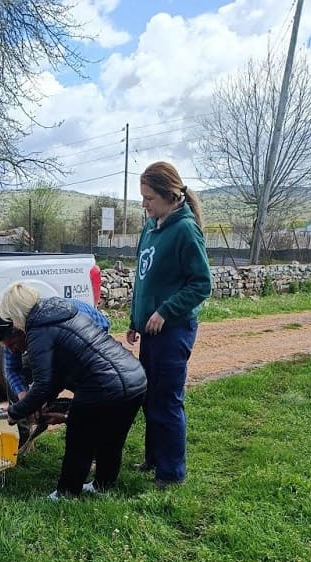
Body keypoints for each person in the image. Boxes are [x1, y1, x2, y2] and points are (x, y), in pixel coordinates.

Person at [0, 282, 147, 499]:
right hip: (134, 377)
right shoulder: (63, 312)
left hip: (102, 384)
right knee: (111, 439)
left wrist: (15, 412)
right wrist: (40, 401)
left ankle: (66, 493)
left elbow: (42, 383)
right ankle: (103, 486)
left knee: (79, 439)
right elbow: (58, 374)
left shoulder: (37, 331)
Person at [126, 161, 212, 488]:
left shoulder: (185, 231)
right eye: (143, 197)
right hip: (150, 330)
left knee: (167, 400)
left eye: (149, 197)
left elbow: (201, 284)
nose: (144, 204)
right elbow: (143, 278)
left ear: (170, 195)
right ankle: (153, 458)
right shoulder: (151, 226)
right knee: (149, 397)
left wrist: (165, 311)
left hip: (173, 331)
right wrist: (137, 319)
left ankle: (171, 473)